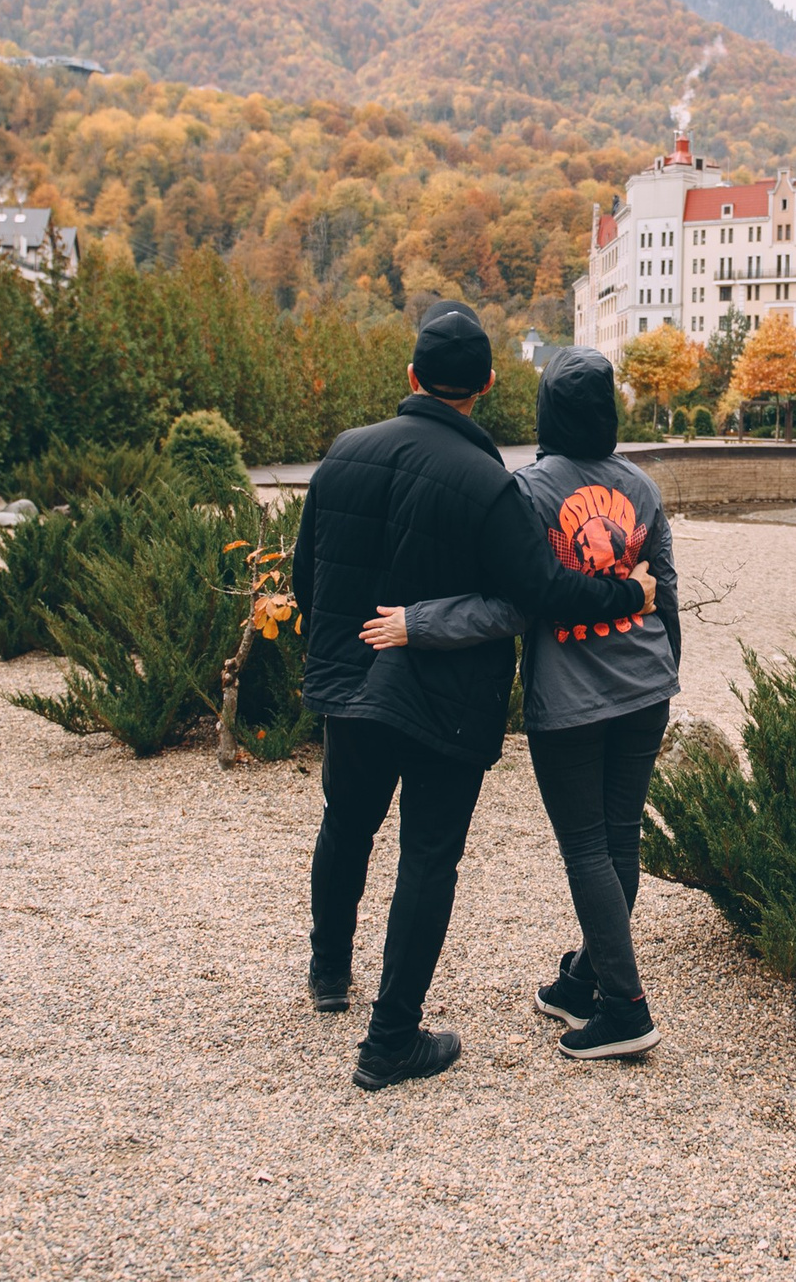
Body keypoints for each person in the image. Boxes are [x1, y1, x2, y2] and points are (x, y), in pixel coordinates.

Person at [292, 304, 655, 1091]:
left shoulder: (341, 455)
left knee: (344, 822)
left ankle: (328, 974)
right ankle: (391, 1037)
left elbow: (305, 574)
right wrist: (629, 591)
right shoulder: (487, 481)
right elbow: (540, 591)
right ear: (487, 385)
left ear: (411, 376)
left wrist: (330, 658)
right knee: (428, 857)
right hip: (443, 702)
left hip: (351, 681)